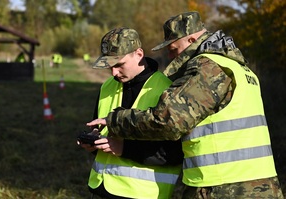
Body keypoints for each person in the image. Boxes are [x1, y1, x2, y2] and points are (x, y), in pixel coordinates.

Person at [87, 12, 284, 198]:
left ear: (191, 40)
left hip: (224, 185)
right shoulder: (239, 67)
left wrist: (115, 120)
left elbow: (169, 121)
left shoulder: (209, 67)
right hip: (259, 181)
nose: (172, 57)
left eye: (173, 49)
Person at [82, 27, 183, 199]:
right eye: (110, 66)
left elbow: (176, 152)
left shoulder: (167, 90)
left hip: (143, 194)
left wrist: (124, 149)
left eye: (119, 65)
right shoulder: (107, 86)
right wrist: (93, 143)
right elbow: (103, 133)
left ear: (139, 54)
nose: (114, 73)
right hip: (99, 188)